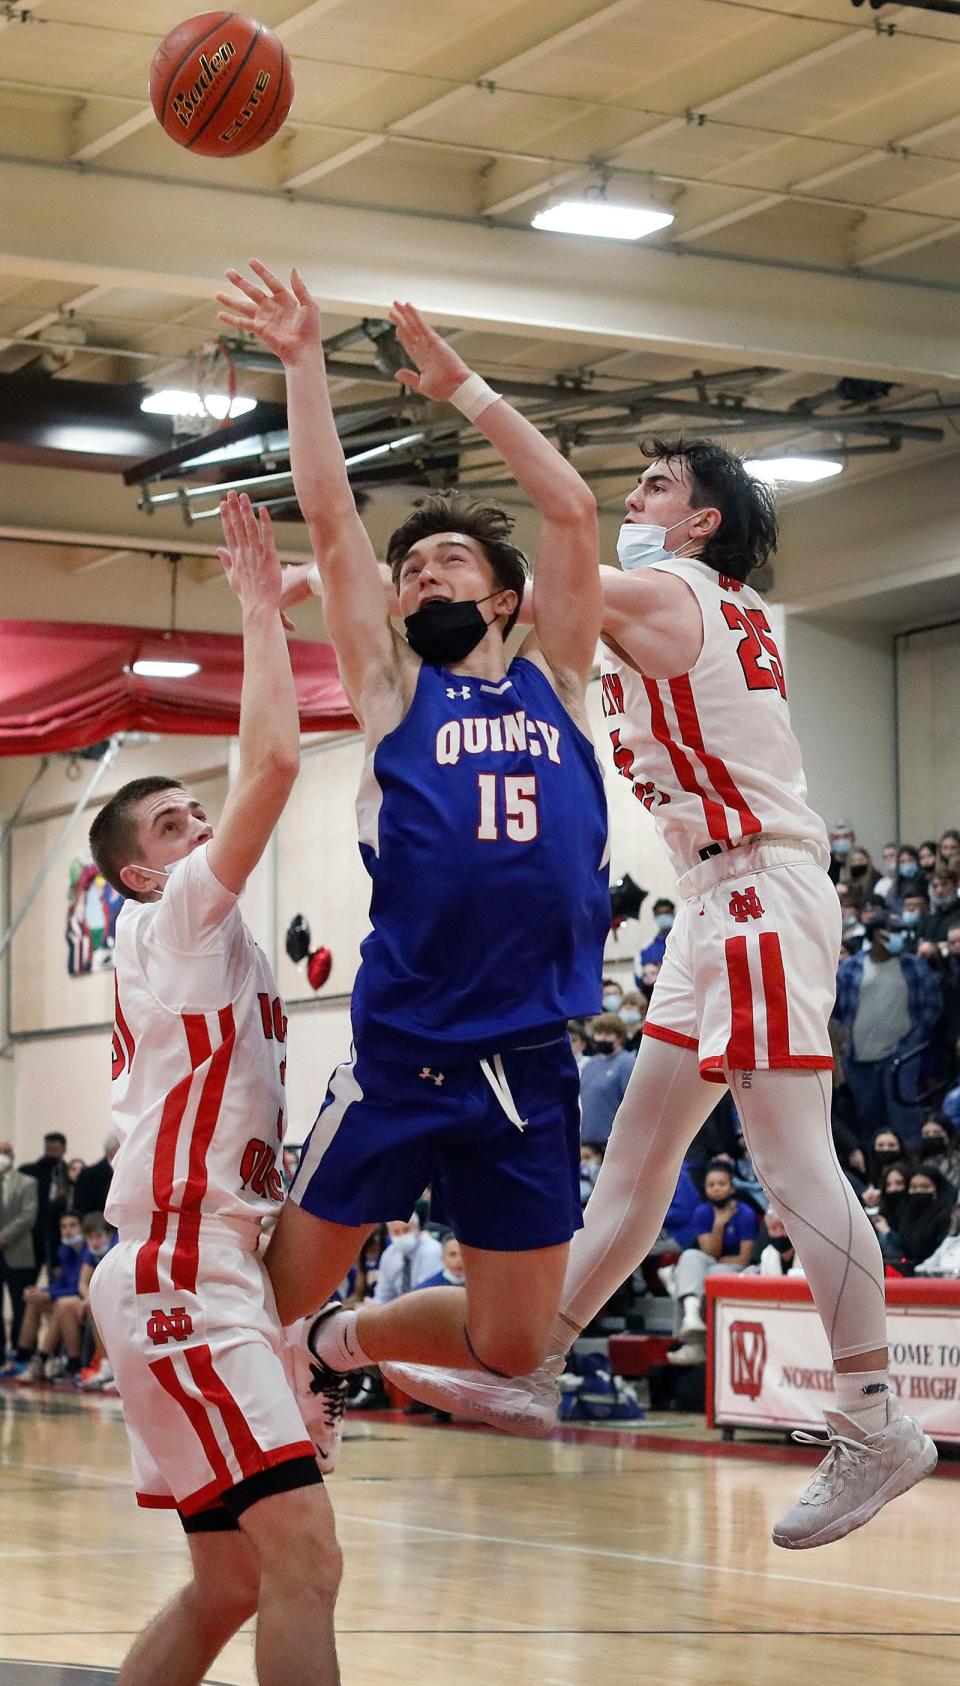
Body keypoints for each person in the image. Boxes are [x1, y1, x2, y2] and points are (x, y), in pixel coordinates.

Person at [383, 435, 937, 1549]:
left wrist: (395, 572)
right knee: (634, 1165)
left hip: (757, 890)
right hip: (711, 899)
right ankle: (538, 1362)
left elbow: (513, 593)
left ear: (700, 525)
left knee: (792, 1166)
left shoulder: (668, 587)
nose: (633, 499)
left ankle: (877, 1421)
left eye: (656, 488)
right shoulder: (693, 601)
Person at [216, 265, 609, 1389]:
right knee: (269, 1294)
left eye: (447, 559)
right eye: (410, 568)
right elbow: (334, 518)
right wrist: (303, 365)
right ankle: (257, 1396)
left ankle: (348, 1344)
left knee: (515, 1348)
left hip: (532, 1061)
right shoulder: (393, 689)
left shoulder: (560, 682)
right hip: (409, 1053)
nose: (419, 569)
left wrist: (466, 390)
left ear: (501, 597)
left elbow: (574, 511)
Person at [86, 491, 342, 1686]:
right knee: (302, 1562)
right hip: (184, 1267)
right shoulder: (178, 917)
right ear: (143, 874)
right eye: (178, 824)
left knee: (233, 1580)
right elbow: (278, 760)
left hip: (202, 1265)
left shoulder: (213, 938)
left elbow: (257, 763)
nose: (204, 829)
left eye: (200, 814)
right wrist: (257, 616)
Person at [833, 907, 941, 1144]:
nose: (898, 937)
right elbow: (837, 1012)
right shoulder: (851, 969)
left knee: (906, 1120)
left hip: (901, 1056)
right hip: (860, 1058)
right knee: (868, 1123)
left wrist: (911, 1042)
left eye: (900, 931)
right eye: (892, 931)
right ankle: (876, 1175)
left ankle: (913, 1173)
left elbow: (931, 1008)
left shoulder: (914, 967)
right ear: (875, 935)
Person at [663, 1161, 758, 1362]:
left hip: (735, 1269)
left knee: (712, 1273)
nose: (716, 1189)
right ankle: (691, 1318)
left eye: (721, 1184)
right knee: (690, 1256)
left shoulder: (746, 1214)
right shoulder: (702, 1213)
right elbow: (709, 1251)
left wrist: (720, 1230)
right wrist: (719, 1225)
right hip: (710, 1263)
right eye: (711, 1185)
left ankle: (675, 1279)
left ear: (732, 1187)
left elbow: (743, 1259)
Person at [0, 1141, 37, 1369]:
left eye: (5, 1153)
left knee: (19, 1304)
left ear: (12, 1156)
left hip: (17, 1252)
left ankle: (20, 1352)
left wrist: (3, 1237)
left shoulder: (26, 1182)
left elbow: (27, 1216)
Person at [578, 1014, 636, 1149]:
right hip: (586, 1141)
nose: (601, 1038)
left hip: (613, 1143)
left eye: (607, 1034)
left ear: (619, 1037)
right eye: (598, 1033)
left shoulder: (626, 1063)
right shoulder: (589, 1065)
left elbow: (632, 1104)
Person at [19, 1130, 67, 1278]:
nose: (51, 1154)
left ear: (63, 1150)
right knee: (27, 1281)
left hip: (58, 1236)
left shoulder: (66, 1172)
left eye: (55, 1150)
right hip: (34, 1236)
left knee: (57, 1280)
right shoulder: (29, 1172)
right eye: (48, 1149)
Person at [372, 1216, 443, 1303]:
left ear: (417, 1229)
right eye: (396, 1232)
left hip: (426, 1305)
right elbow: (383, 1293)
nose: (402, 1236)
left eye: (406, 1230)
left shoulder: (432, 1250)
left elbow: (425, 1294)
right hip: (398, 1309)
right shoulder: (389, 1254)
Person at [72, 1133, 119, 1219]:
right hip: (96, 1226)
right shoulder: (89, 1175)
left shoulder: (129, 1173)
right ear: (113, 1151)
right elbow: (81, 1208)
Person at [637, 898, 676, 968]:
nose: (663, 916)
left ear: (673, 914)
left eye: (666, 912)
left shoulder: (683, 941)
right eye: (659, 914)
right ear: (655, 916)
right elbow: (641, 975)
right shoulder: (646, 948)